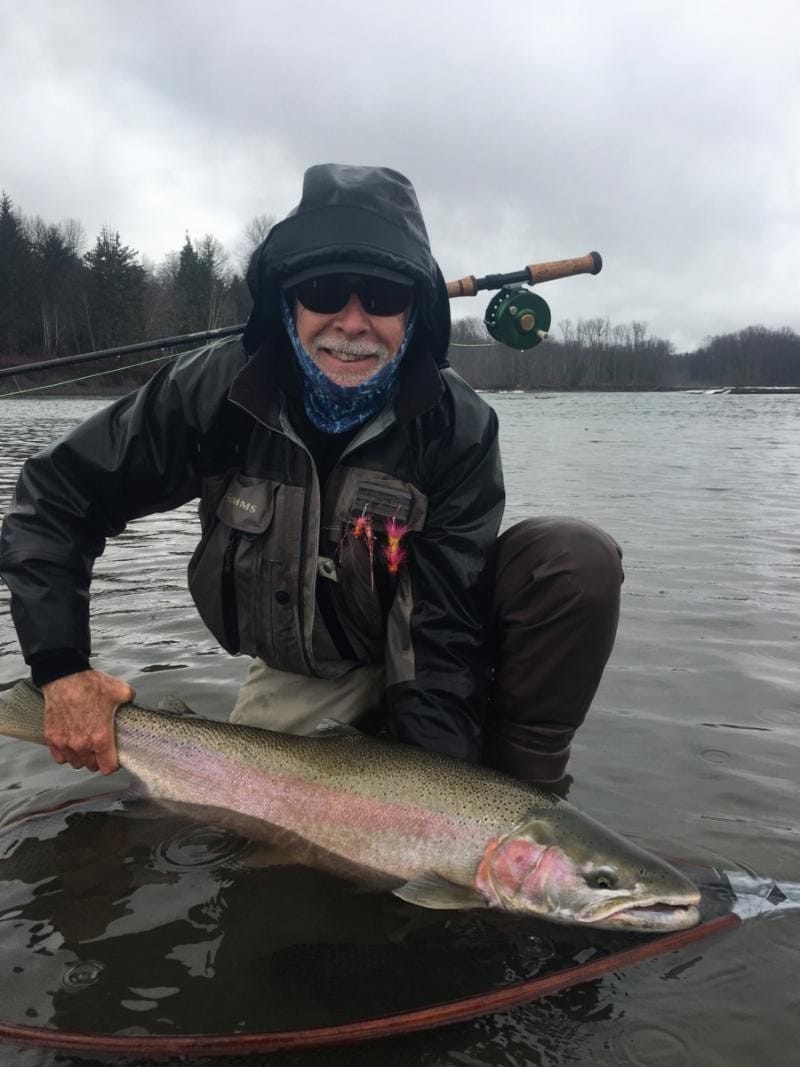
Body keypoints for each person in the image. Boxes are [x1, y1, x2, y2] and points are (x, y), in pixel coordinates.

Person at [0, 163, 622, 785]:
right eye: (325, 291)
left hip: (445, 646)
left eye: (382, 298)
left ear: (414, 313)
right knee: (257, 838)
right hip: (313, 670)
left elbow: (442, 629)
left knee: (570, 559)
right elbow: (56, 498)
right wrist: (60, 670)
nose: (352, 323)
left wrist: (450, 796)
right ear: (287, 301)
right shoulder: (213, 392)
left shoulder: (458, 423)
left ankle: (531, 800)